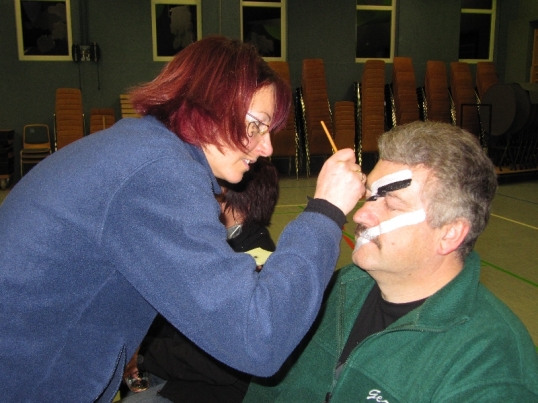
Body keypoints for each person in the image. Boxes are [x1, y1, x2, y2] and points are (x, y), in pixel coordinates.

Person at [0, 36, 365, 402]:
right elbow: (258, 337)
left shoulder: (137, 150)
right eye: (257, 125)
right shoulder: (158, 171)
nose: (266, 147)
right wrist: (326, 210)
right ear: (209, 104)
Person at [244, 121, 538, 402]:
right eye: (370, 196)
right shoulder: (337, 288)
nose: (360, 214)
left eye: (392, 204)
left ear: (449, 234)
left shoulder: (490, 362)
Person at [121, 157, 280, 403]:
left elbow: (215, 363)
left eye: (217, 194)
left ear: (244, 205)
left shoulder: (255, 266)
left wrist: (143, 353)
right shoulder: (218, 244)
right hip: (174, 365)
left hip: (207, 386)